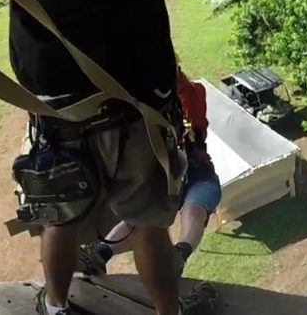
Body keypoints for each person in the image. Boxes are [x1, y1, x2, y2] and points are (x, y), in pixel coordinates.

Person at [1, 0, 219, 315]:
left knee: (60, 216)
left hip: (59, 104)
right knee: (149, 223)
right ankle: (168, 312)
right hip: (134, 102)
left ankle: (56, 305)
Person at [76, 69, 222, 279]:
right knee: (138, 217)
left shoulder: (192, 99)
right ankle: (100, 253)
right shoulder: (150, 113)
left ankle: (179, 254)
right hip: (165, 174)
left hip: (197, 172)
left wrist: (170, 73)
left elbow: (192, 94)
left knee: (194, 209)